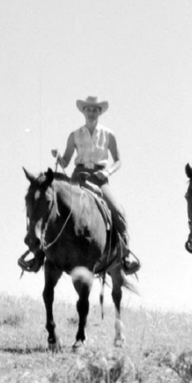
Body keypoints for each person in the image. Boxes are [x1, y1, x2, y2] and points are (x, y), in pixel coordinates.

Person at [56, 94, 140, 274]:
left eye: (95, 109)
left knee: (118, 211)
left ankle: (126, 255)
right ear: (83, 111)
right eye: (88, 109)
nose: (91, 112)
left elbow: (118, 160)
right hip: (78, 176)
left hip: (100, 178)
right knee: (57, 206)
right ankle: (40, 251)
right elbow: (65, 161)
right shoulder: (74, 135)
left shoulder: (109, 134)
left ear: (99, 112)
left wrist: (107, 172)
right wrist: (58, 157)